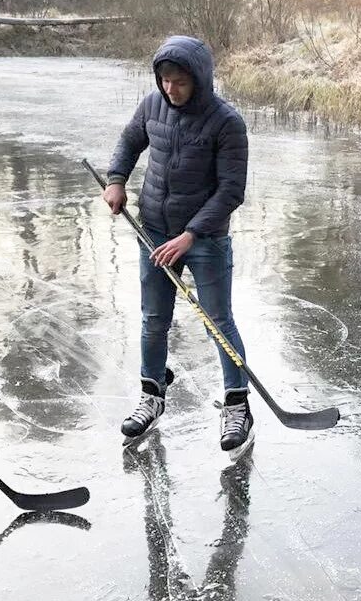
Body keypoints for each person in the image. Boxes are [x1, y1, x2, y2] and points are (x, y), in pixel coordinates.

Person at [103, 35, 253, 452]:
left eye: (180, 82)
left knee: (217, 322)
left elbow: (230, 191)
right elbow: (130, 140)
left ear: (200, 80)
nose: (171, 89)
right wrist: (116, 180)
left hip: (203, 238)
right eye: (165, 80)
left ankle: (237, 405)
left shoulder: (227, 122)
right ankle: (152, 394)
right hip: (152, 229)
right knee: (154, 319)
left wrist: (191, 234)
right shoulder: (153, 105)